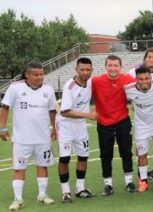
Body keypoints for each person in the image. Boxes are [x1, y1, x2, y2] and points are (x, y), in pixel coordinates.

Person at [1, 61, 57, 210]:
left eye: (41, 74)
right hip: (21, 139)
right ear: (27, 74)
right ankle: (18, 199)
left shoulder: (48, 90)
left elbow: (52, 111)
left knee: (43, 166)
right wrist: (2, 128)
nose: (40, 77)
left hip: (42, 138)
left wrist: (55, 128)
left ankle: (42, 195)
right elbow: (5, 107)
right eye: (36, 74)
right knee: (19, 169)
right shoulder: (15, 88)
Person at [92, 55, 137, 195]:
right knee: (106, 154)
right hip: (104, 122)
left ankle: (129, 182)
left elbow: (143, 86)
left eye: (115, 65)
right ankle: (108, 185)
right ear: (105, 67)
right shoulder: (96, 81)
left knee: (126, 151)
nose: (113, 68)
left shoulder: (127, 79)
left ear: (120, 67)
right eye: (110, 65)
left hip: (123, 121)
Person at [55, 58, 98, 202]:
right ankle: (65, 191)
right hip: (66, 125)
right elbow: (65, 111)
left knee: (83, 157)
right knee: (65, 158)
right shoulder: (70, 87)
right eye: (82, 70)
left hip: (80, 126)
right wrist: (89, 115)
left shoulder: (91, 82)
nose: (85, 72)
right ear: (76, 70)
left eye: (88, 70)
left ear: (92, 70)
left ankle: (80, 188)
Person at [124, 66, 153, 192]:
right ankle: (143, 181)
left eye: (147, 78)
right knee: (142, 154)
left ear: (151, 77)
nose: (144, 81)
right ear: (136, 79)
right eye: (141, 79)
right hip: (141, 127)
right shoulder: (128, 90)